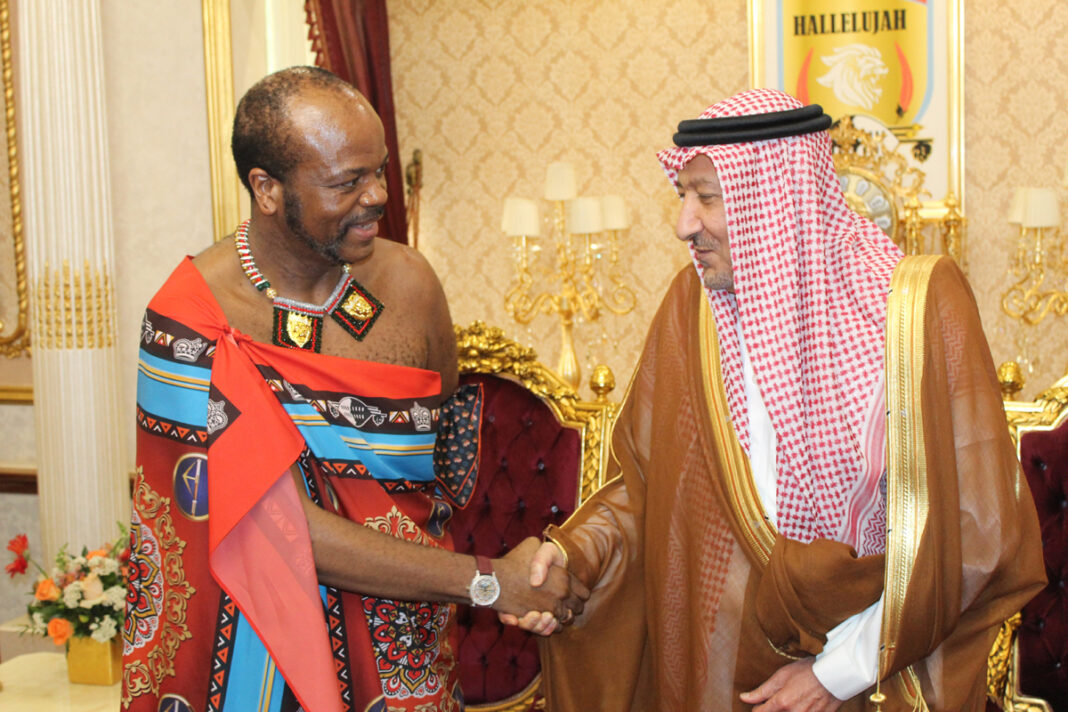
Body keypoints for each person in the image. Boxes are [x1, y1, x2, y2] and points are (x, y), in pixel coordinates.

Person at [526, 89, 1046, 711]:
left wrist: (839, 672)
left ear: (772, 199)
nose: (683, 224)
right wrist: (572, 554)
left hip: (878, 671)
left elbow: (971, 533)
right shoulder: (690, 312)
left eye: (707, 197)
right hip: (721, 665)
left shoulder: (916, 311)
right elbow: (649, 490)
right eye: (682, 195)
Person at [123, 66, 583, 712]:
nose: (377, 196)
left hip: (403, 649)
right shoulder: (191, 320)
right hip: (250, 664)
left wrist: (521, 580)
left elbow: (445, 463)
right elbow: (275, 530)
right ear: (267, 189)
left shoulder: (411, 288)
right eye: (347, 181)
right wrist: (488, 584)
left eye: (380, 170)